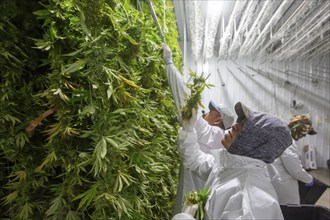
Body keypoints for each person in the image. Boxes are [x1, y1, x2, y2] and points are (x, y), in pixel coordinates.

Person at [173, 102, 292, 219]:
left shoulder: (250, 200)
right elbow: (196, 161)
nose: (235, 125)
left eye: (244, 127)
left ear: (257, 144)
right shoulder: (230, 167)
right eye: (240, 122)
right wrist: (188, 130)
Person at [161, 44, 235, 214]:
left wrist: (170, 65)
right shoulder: (219, 138)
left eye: (211, 112)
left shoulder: (213, 133)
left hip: (193, 199)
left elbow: (185, 102)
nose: (205, 113)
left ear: (218, 121)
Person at [267, 115, 316, 204]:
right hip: (283, 184)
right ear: (298, 128)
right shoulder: (288, 140)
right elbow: (294, 169)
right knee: (289, 210)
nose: (304, 136)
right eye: (304, 133)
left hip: (275, 179)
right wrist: (309, 179)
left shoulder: (280, 135)